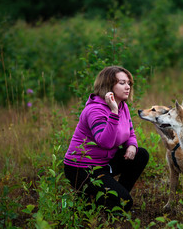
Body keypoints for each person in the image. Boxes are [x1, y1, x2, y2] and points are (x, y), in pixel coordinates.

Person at [64, 65, 149, 212]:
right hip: (82, 169)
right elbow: (106, 142)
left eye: (129, 83)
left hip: (103, 164)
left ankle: (110, 195)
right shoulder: (95, 110)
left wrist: (132, 146)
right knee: (124, 203)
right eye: (122, 83)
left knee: (141, 154)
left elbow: (130, 133)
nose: (127, 87)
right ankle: (90, 204)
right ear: (108, 85)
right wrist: (114, 112)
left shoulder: (123, 106)